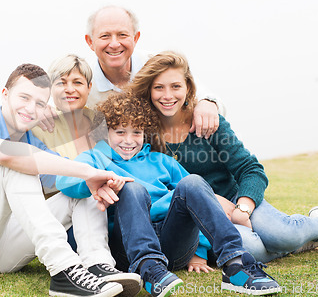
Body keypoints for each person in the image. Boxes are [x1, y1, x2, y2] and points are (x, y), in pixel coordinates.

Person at [0, 63, 140, 297]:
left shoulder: (33, 141)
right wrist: (86, 171)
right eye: (24, 97)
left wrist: (91, 179)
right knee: (16, 165)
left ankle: (98, 265)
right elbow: (6, 154)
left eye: (40, 103)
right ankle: (64, 270)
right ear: (4, 95)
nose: (31, 108)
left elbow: (64, 176)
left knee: (80, 187)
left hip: (1, 254)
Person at [127, 51, 318, 266]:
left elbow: (250, 169)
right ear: (149, 90)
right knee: (252, 249)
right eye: (159, 88)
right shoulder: (140, 135)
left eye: (176, 86)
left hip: (237, 198)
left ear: (188, 87)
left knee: (281, 234)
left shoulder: (207, 122)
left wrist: (243, 208)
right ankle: (293, 246)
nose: (168, 96)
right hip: (197, 217)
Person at [56, 92, 282, 297]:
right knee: (132, 187)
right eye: (120, 131)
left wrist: (200, 250)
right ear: (105, 133)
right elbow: (64, 179)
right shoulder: (95, 159)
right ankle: (149, 270)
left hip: (172, 242)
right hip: (127, 248)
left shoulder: (161, 161)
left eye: (136, 132)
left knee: (192, 182)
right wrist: (96, 180)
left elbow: (198, 200)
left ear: (145, 133)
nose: (128, 140)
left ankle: (236, 265)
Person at [0, 5, 222, 143]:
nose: (114, 43)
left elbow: (194, 88)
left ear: (136, 37)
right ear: (89, 41)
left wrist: (208, 103)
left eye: (122, 35)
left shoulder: (155, 67)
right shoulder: (79, 79)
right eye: (105, 36)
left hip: (156, 155)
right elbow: (19, 98)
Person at [30, 54, 143, 296]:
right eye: (61, 82)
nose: (69, 89)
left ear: (89, 87)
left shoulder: (100, 120)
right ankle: (98, 264)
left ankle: (103, 265)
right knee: (87, 184)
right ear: (51, 89)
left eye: (78, 82)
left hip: (100, 217)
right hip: (55, 220)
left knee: (94, 188)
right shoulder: (40, 125)